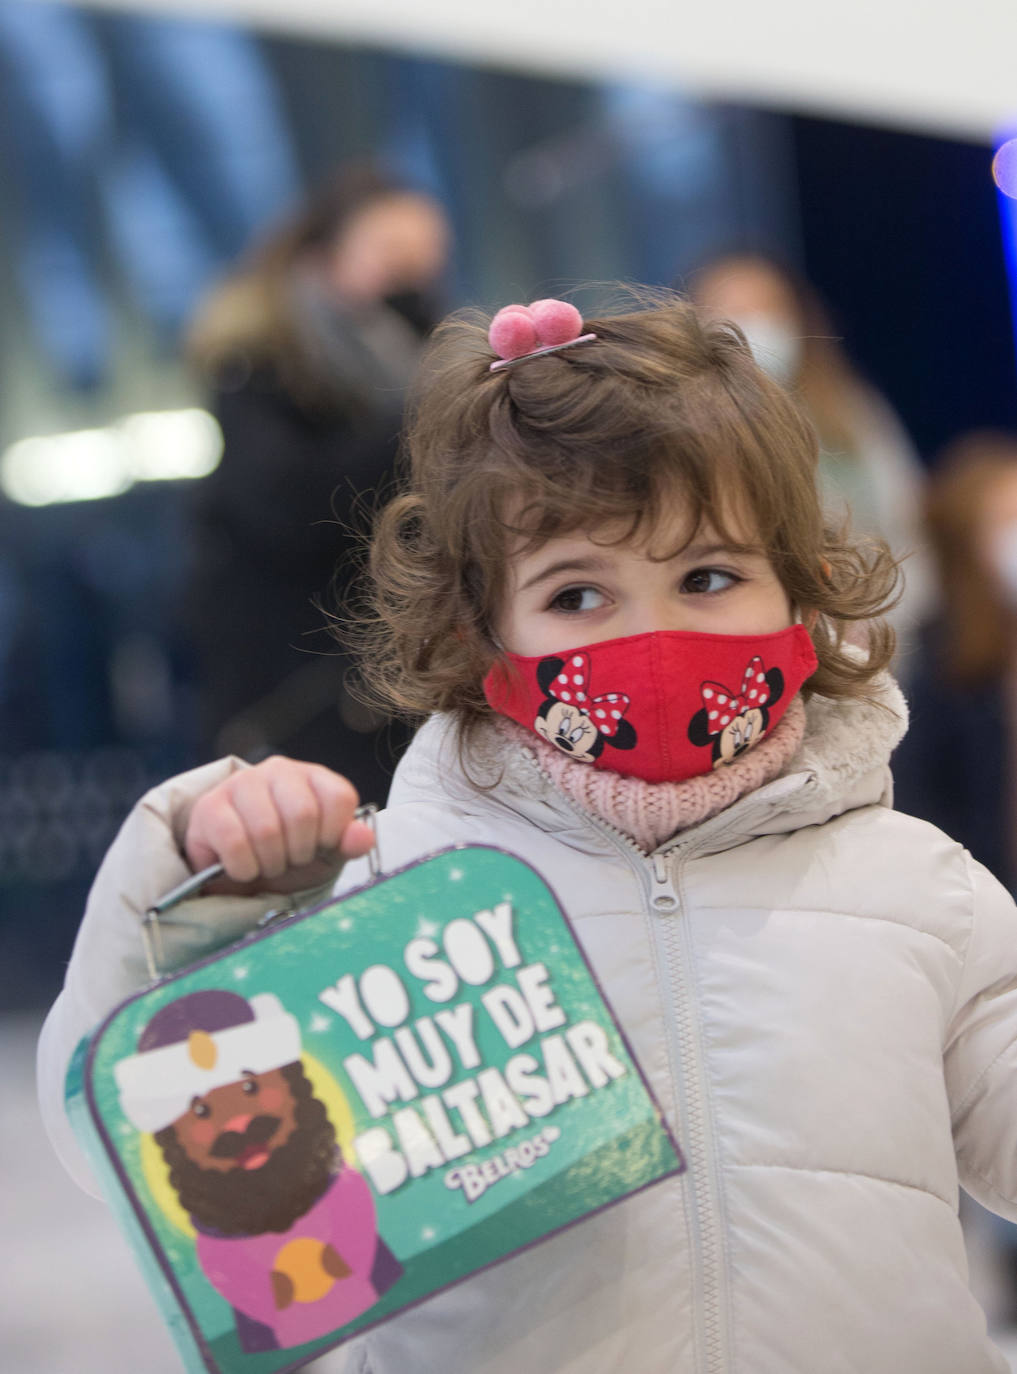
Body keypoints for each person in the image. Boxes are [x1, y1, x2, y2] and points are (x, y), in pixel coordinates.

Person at [38, 292, 1017, 1373]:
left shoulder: (920, 892)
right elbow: (127, 1152)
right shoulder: (383, 908)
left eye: (708, 576)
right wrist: (199, 914)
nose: (652, 634)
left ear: (801, 592)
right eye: (576, 595)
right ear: (480, 631)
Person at [181, 163, 451, 801]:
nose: (411, 279)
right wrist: (423, 414)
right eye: (392, 256)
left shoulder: (417, 356)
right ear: (324, 259)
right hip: (295, 676)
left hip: (390, 674)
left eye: (425, 259)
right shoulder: (261, 362)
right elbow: (284, 503)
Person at [690, 251, 935, 678]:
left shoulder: (851, 411)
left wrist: (884, 628)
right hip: (746, 655)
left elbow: (907, 526)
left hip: (873, 647)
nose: (754, 323)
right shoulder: (688, 431)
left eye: (766, 307)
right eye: (734, 310)